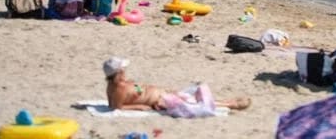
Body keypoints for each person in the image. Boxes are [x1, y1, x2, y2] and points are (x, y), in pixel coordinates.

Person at [104, 57, 250, 112]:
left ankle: (225, 102)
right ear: (119, 72)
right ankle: (229, 104)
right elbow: (116, 107)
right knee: (193, 102)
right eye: (123, 69)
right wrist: (140, 107)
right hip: (160, 101)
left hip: (162, 95)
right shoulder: (119, 88)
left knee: (191, 97)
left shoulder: (117, 84)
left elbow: (113, 103)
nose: (125, 70)